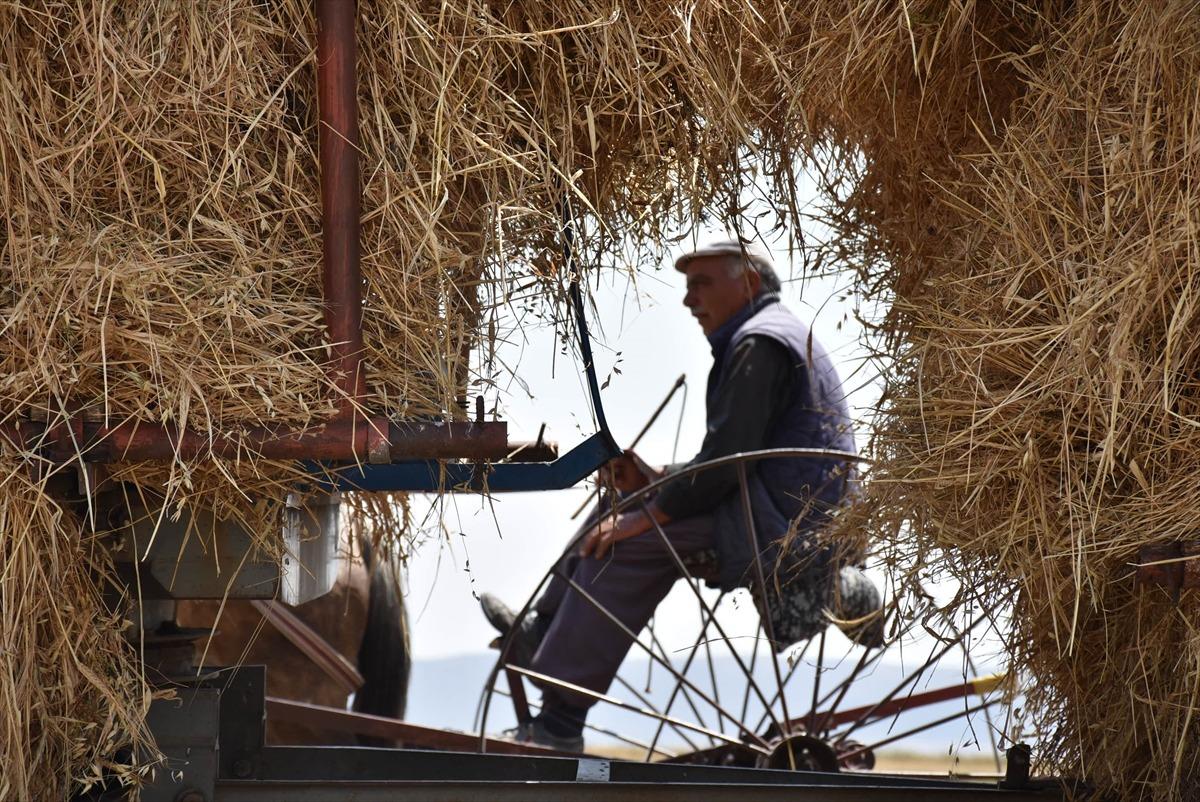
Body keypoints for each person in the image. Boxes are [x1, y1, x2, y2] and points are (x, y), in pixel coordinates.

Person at [481, 240, 882, 750]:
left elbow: (727, 462)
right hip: (770, 504)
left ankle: (561, 721)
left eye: (702, 284)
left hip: (785, 527)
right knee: (620, 506)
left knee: (625, 543)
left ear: (750, 283)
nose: (690, 301)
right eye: (689, 287)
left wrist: (649, 516)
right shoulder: (768, 336)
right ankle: (544, 627)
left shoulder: (759, 346)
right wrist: (653, 480)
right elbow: (731, 460)